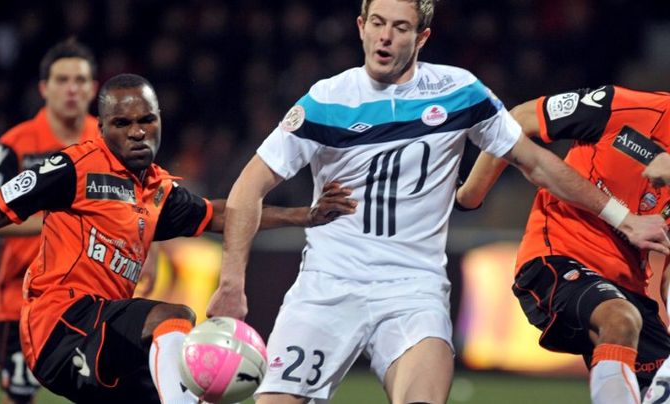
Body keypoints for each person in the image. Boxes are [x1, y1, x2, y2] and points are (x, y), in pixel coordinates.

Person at [206, 0, 670, 403]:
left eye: (401, 27)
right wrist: (232, 282)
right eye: (378, 23)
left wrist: (623, 219)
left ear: (422, 36)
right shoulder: (324, 102)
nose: (386, 37)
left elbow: (537, 163)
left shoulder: (459, 93)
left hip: (414, 290)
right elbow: (249, 188)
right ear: (360, 26)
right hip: (327, 288)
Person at [0, 73, 357, 404]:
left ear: (160, 119)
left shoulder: (158, 191)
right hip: (59, 324)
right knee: (174, 318)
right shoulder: (72, 168)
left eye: (147, 120)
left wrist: (306, 214)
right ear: (103, 127)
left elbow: (220, 214)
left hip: (104, 336)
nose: (138, 132)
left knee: (179, 387)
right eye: (122, 124)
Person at [455, 85, 670, 404]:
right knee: (619, 319)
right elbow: (518, 120)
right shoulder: (624, 107)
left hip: (630, 286)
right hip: (558, 257)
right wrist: (469, 196)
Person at [0, 38, 100, 404]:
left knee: (105, 391)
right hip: (23, 296)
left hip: (94, 295)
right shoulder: (15, 145)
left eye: (80, 80)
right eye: (62, 80)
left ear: (94, 88)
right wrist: (67, 217)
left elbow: (141, 203)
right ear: (44, 88)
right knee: (19, 397)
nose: (72, 89)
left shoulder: (108, 139)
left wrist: (152, 256)